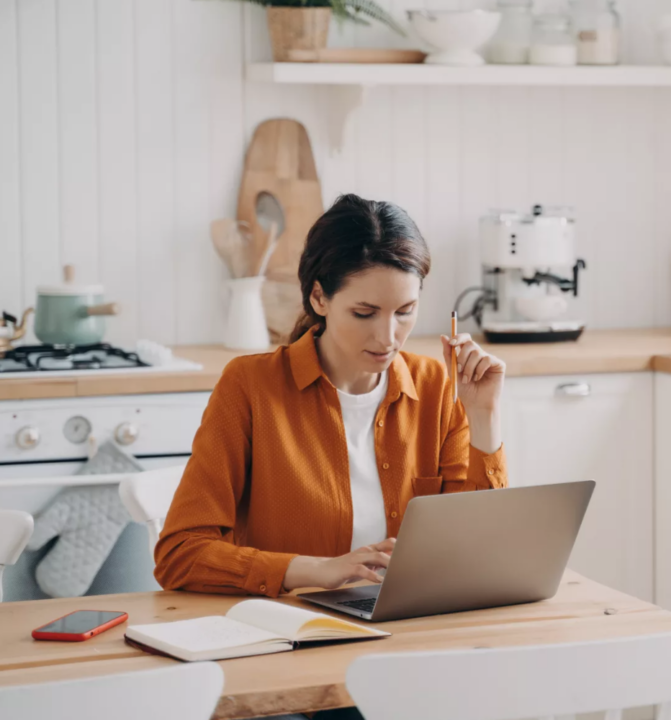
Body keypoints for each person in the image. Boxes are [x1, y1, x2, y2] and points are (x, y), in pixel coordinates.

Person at [154, 194, 508, 720]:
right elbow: (181, 553)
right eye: (364, 312)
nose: (387, 336)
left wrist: (483, 417)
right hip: (289, 653)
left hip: (408, 643)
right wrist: (314, 570)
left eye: (405, 312)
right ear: (319, 297)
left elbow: (481, 552)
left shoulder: (437, 386)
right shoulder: (250, 387)